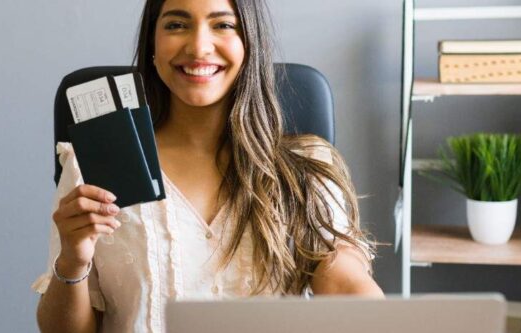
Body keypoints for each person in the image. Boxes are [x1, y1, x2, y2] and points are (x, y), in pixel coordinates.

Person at [34, 0, 383, 332]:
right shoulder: (91, 167)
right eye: (176, 24)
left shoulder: (304, 168)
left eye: (223, 24)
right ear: (152, 44)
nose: (199, 47)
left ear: (250, 43)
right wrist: (73, 260)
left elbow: (345, 281)